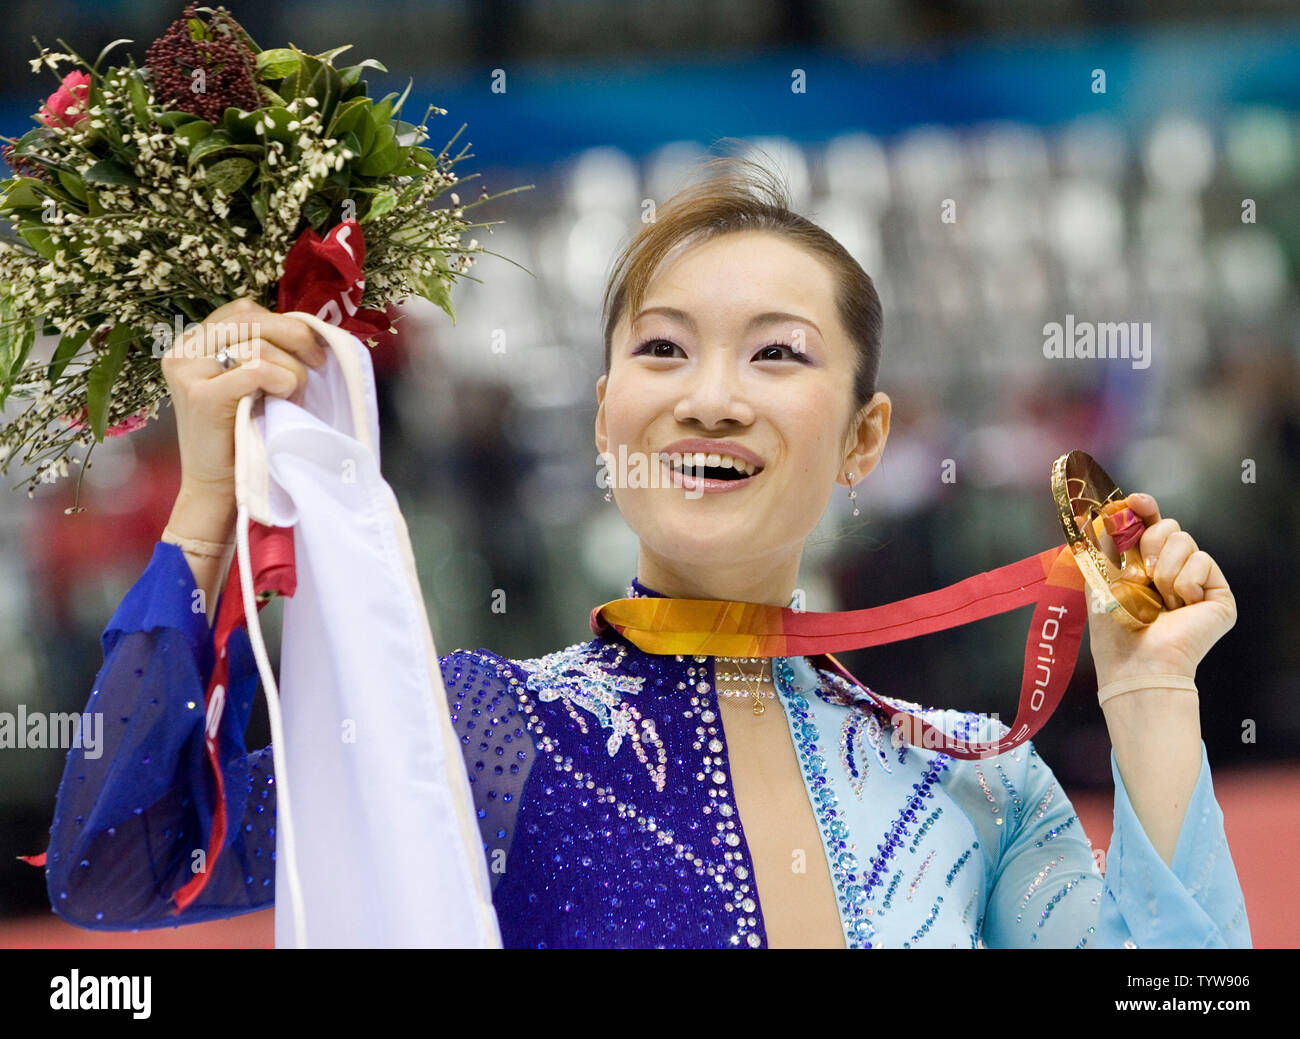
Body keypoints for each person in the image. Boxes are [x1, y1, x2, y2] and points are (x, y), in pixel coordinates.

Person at [40, 155, 1251, 948]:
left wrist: (1147, 691)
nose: (710, 397)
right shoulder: (487, 735)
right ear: (605, 406)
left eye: (777, 354)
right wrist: (209, 503)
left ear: (861, 438)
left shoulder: (976, 780)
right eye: (664, 351)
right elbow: (119, 868)